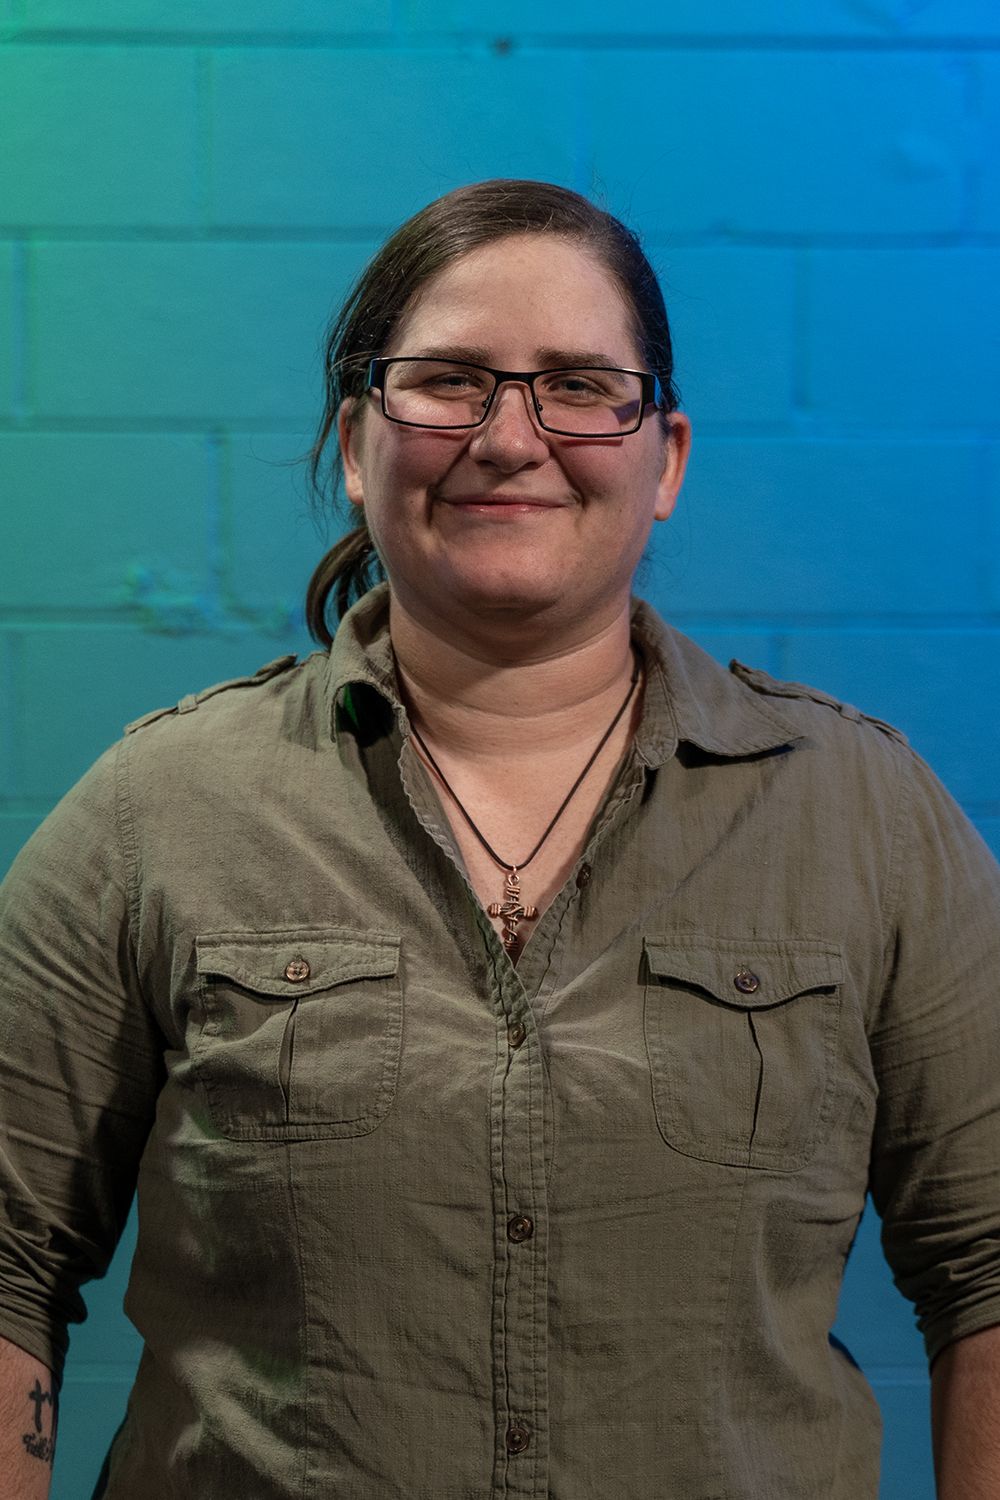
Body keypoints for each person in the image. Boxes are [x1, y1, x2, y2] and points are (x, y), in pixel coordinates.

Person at [1, 179, 999, 1500]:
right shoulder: (157, 810)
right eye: (449, 382)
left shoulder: (864, 816)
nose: (510, 438)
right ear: (356, 444)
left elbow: (987, 1267)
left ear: (667, 458)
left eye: (579, 386)